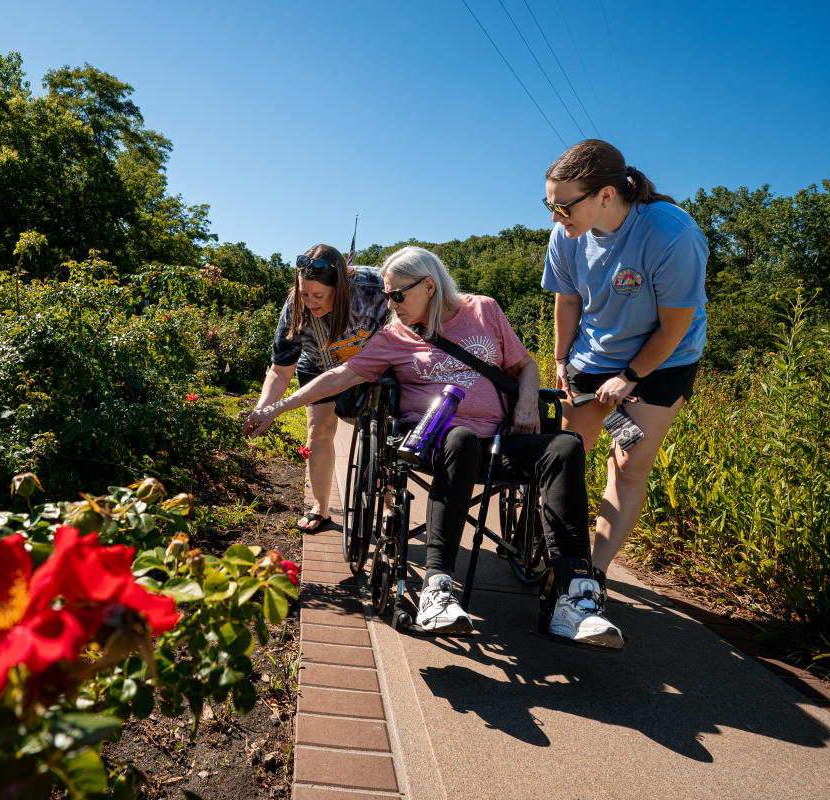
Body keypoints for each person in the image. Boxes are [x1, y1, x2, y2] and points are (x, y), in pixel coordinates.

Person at [245, 246, 623, 648]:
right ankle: (437, 589)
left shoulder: (484, 309)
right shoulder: (394, 334)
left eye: (397, 295)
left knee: (566, 445)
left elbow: (525, 366)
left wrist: (527, 401)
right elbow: (340, 376)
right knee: (461, 438)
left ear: (429, 286)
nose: (390, 305)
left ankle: (574, 596)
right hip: (438, 442)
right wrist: (275, 407)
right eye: (386, 296)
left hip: (499, 441)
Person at [542, 139, 708, 572]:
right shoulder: (566, 235)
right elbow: (568, 300)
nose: (556, 216)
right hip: (593, 356)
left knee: (628, 464)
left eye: (563, 206)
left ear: (606, 195)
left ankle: (591, 574)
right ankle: (555, 553)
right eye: (549, 205)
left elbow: (673, 327)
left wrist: (630, 377)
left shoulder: (672, 235)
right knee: (566, 457)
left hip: (661, 364)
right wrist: (560, 359)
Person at [255, 244, 388, 532]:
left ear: (340, 289)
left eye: (318, 296)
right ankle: (320, 507)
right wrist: (263, 409)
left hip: (372, 363)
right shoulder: (295, 308)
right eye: (304, 294)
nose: (309, 303)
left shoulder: (376, 288)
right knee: (318, 430)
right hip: (319, 365)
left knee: (384, 435)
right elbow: (280, 370)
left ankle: (388, 504)